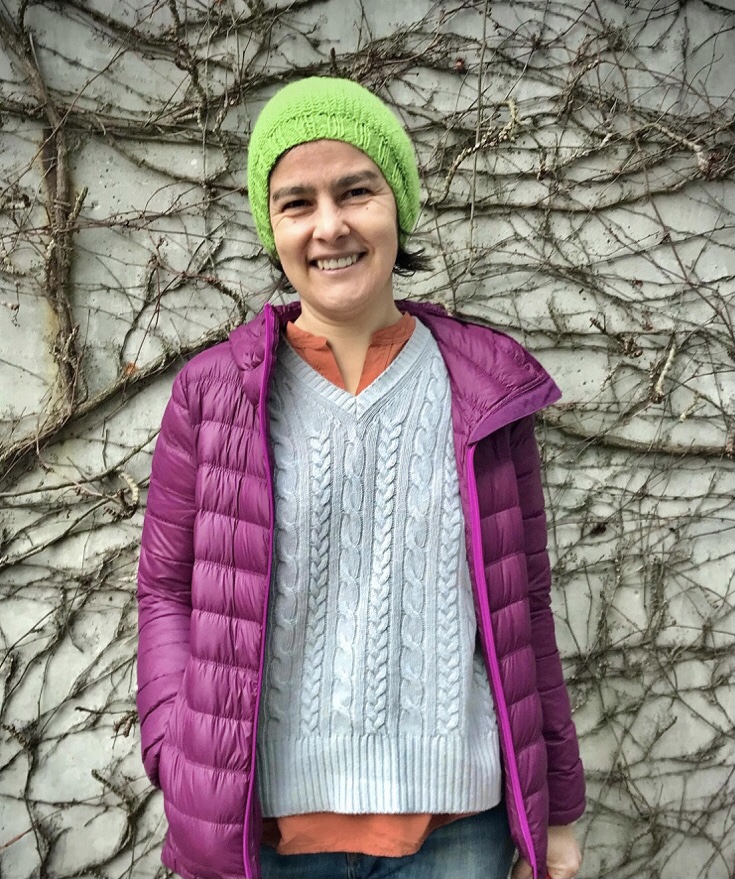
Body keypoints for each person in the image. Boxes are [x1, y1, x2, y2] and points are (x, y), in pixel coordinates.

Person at [136, 77, 585, 879]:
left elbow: (525, 607)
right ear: (271, 226)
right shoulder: (212, 395)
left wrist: (557, 810)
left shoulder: (484, 390)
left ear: (397, 205)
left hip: (455, 832)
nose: (329, 225)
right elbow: (166, 590)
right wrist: (177, 746)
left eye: (355, 191)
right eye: (296, 202)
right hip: (262, 833)